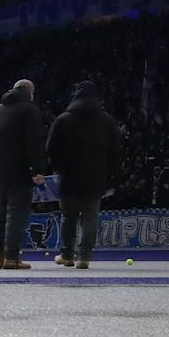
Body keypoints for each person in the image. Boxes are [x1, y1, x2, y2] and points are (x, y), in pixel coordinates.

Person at [45, 81, 122, 269]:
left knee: (68, 217)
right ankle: (84, 257)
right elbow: (116, 151)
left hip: (69, 176)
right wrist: (111, 176)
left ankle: (67, 255)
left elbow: (50, 148)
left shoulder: (63, 119)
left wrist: (58, 167)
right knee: (90, 217)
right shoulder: (106, 120)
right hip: (95, 177)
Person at [0, 78, 45, 270]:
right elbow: (34, 141)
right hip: (18, 172)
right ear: (30, 93)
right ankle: (12, 257)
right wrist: (38, 169)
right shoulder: (29, 110)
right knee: (15, 215)